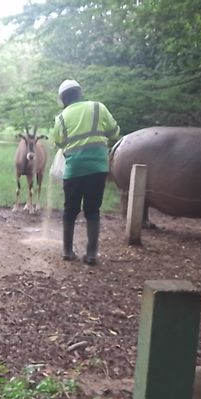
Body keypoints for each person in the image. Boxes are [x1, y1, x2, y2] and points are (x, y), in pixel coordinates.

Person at [52, 79, 120, 265]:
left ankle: (67, 251)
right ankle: (91, 254)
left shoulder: (61, 118)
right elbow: (114, 132)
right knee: (92, 211)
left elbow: (58, 143)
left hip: (74, 169)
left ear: (63, 99)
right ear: (80, 93)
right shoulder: (98, 107)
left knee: (70, 210)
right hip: (98, 168)